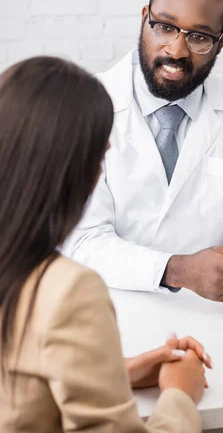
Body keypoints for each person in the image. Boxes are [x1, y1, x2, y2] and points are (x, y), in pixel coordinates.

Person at [64, 0, 223, 302]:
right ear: (145, 18)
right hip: (102, 306)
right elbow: (83, 238)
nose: (176, 50)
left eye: (199, 37)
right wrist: (177, 270)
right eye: (164, 27)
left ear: (222, 41)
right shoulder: (84, 106)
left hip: (206, 311)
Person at [0, 57, 210, 432]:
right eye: (100, 155)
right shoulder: (67, 291)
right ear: (79, 171)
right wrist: (180, 395)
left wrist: (115, 372)